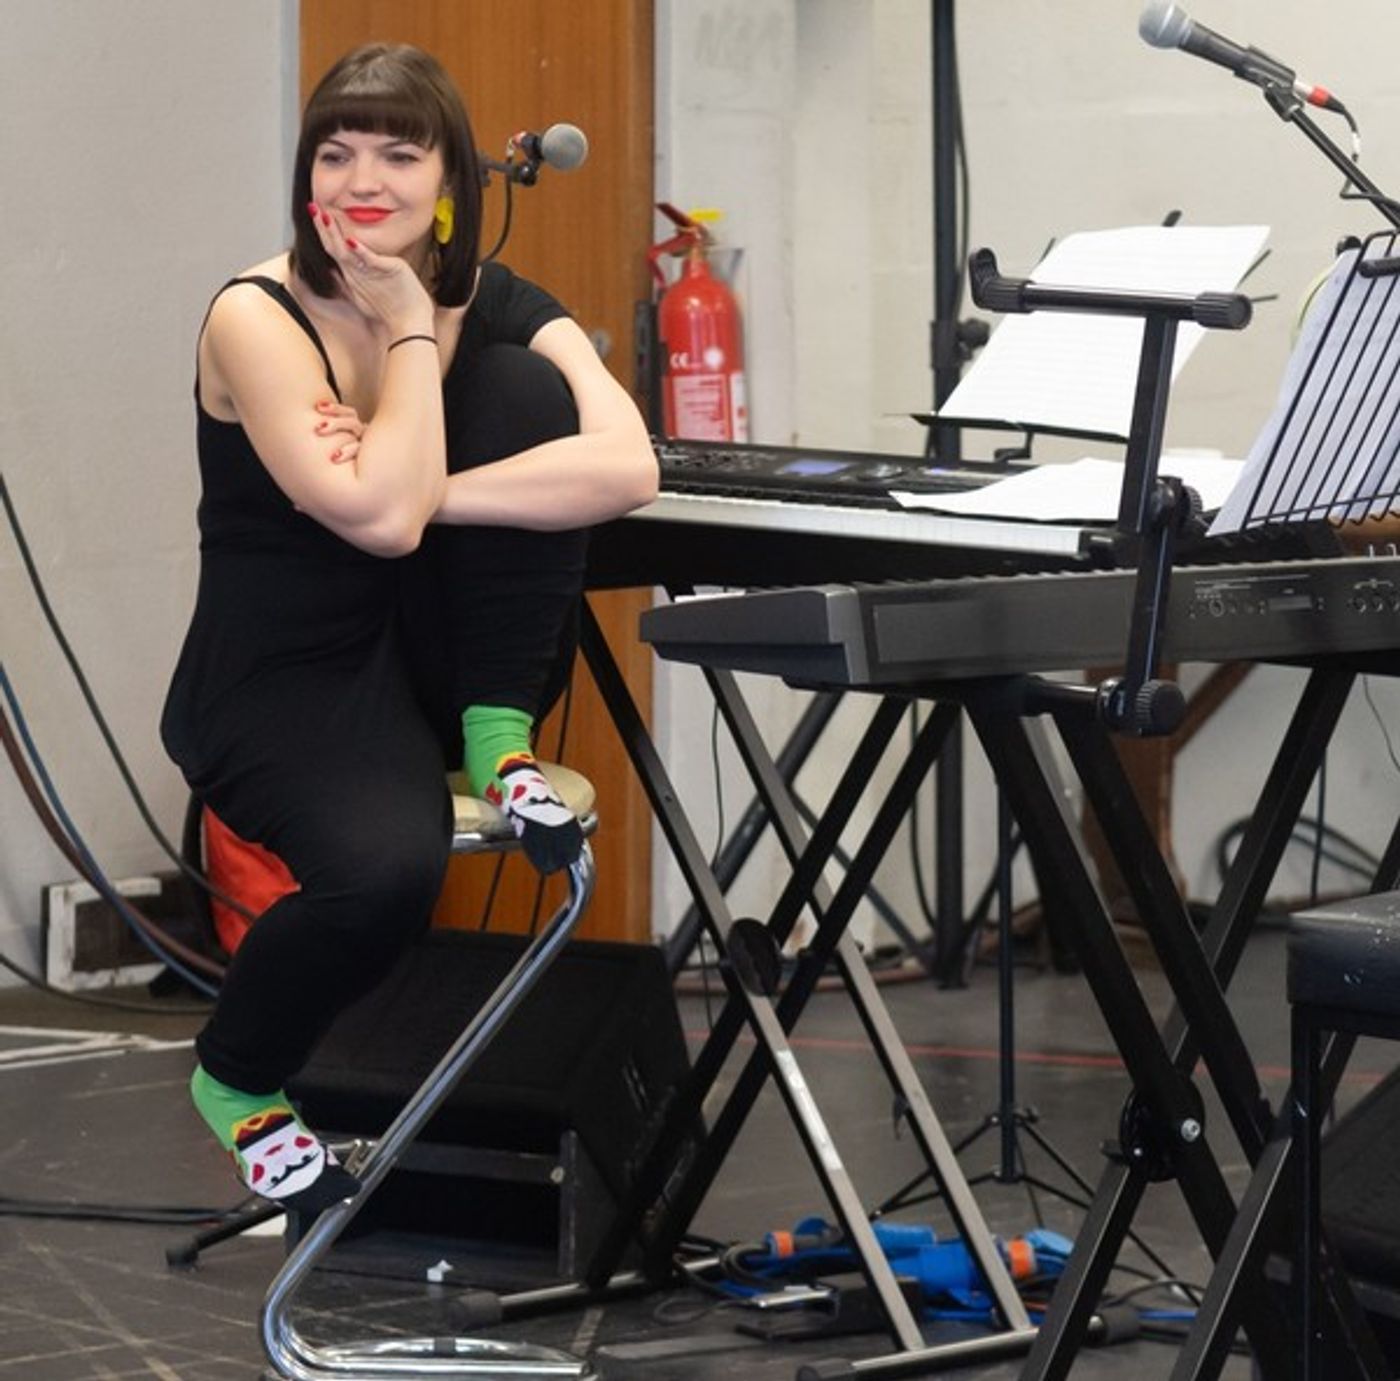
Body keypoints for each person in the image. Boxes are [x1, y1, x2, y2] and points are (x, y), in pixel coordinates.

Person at [160, 42, 658, 1212]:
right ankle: (235, 1079)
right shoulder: (256, 314)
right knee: (387, 872)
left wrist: (443, 469)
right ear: (304, 177)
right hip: (280, 678)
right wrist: (409, 334)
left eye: (397, 151)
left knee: (527, 398)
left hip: (426, 663)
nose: (360, 179)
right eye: (334, 153)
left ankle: (498, 733)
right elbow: (380, 522)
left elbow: (626, 462)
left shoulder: (481, 293)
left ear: (449, 183)